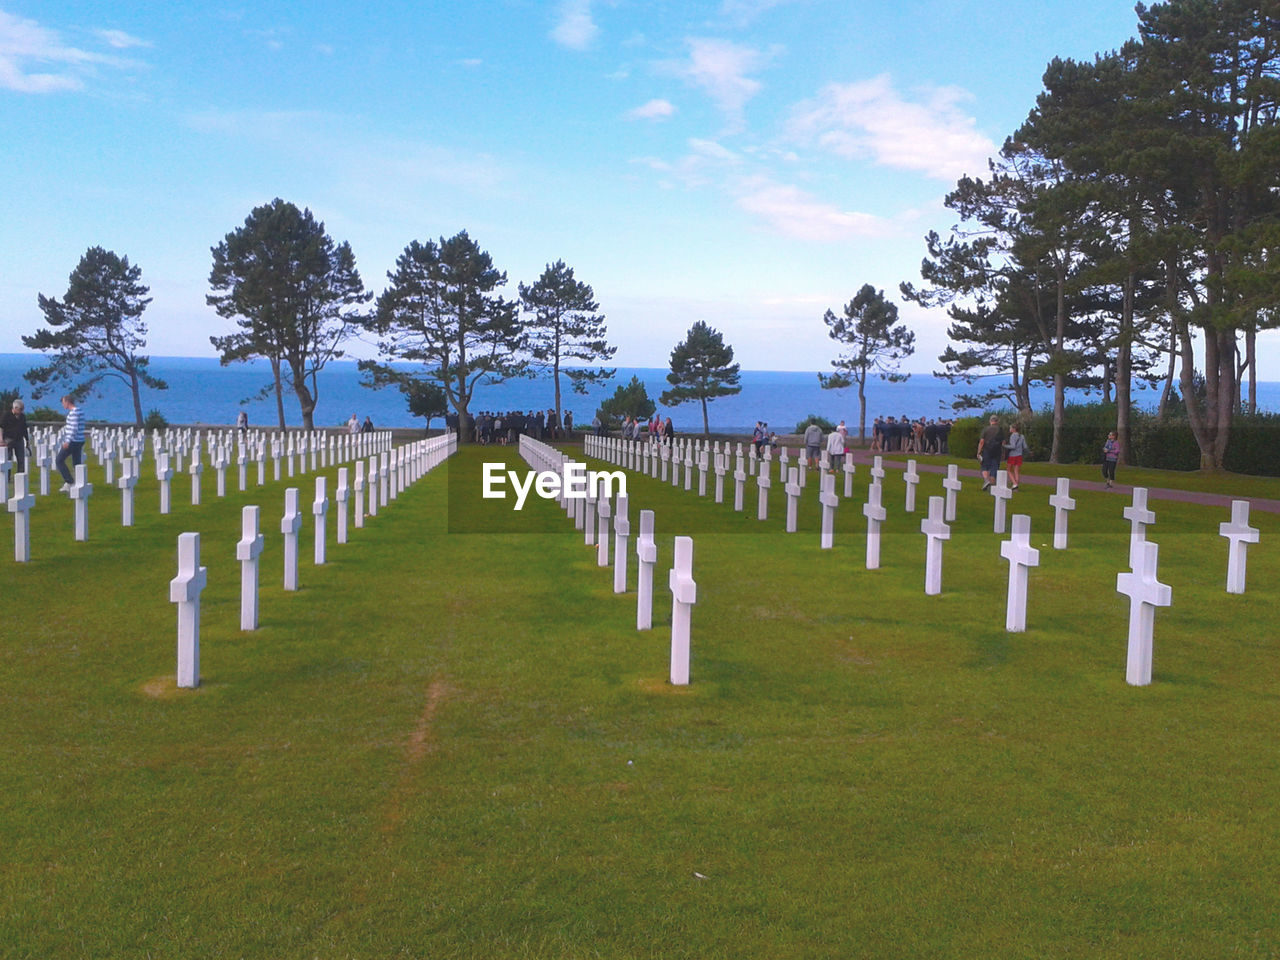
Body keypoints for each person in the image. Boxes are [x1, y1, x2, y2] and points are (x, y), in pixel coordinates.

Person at [55, 394, 85, 491]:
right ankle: (80, 482)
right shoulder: (80, 411)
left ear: (67, 402)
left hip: (73, 441)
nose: (63, 405)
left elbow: (74, 428)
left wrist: (67, 441)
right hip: (80, 440)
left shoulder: (73, 413)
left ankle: (69, 482)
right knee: (76, 463)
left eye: (63, 402)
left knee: (59, 460)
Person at [2, 397, 32, 474]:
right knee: (7, 459)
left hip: (19, 440)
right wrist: (1, 440)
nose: (22, 411)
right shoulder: (7, 415)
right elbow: (1, 427)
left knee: (21, 459)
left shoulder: (22, 417)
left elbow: (24, 429)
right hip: (8, 439)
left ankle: (21, 476)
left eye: (22, 409)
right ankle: (7, 477)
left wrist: (27, 441)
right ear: (15, 408)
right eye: (21, 409)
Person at [977, 415, 1003, 490]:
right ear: (997, 421)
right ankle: (992, 486)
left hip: (987, 450)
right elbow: (1003, 441)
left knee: (984, 466)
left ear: (990, 421)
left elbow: (982, 442)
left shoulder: (986, 429)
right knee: (994, 468)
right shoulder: (1000, 430)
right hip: (997, 451)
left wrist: (978, 452)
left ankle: (986, 480)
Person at [1003, 424, 1027, 489]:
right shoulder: (1022, 436)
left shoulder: (1013, 436)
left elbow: (1013, 446)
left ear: (1014, 429)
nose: (1009, 429)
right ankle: (1016, 487)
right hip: (1019, 455)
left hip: (1013, 455)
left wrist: (1004, 446)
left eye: (1010, 428)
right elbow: (1025, 446)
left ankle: (1014, 483)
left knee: (1008, 470)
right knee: (1016, 471)